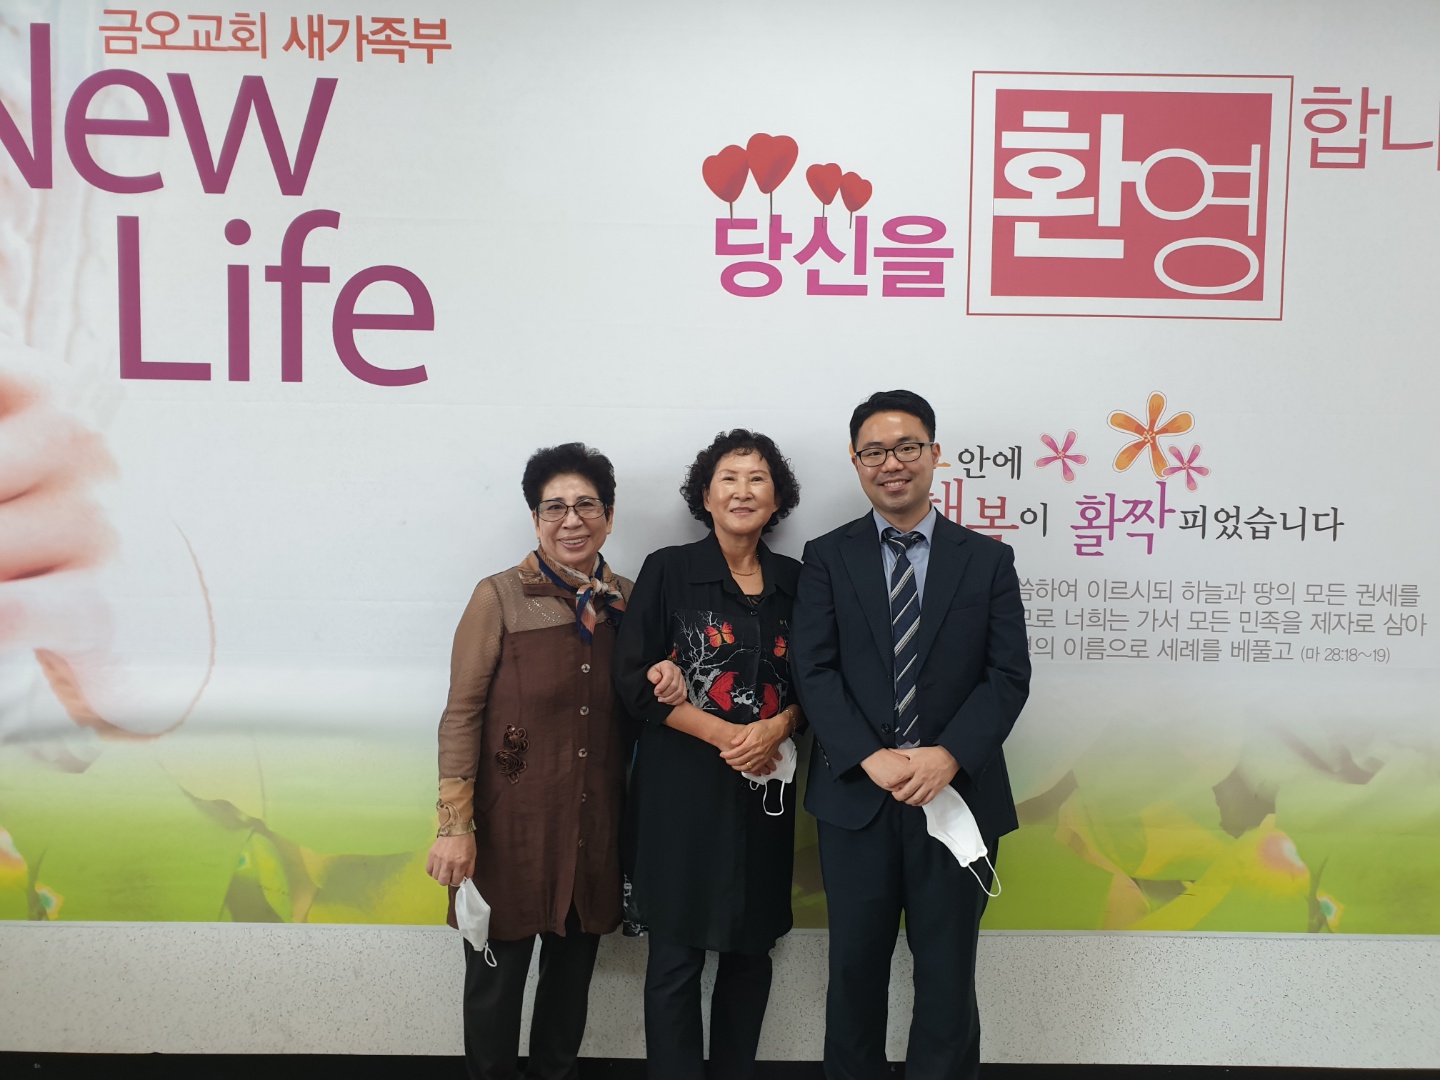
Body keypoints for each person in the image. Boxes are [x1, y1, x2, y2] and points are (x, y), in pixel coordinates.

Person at [791, 390, 1031, 1079]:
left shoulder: (986, 560)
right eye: (874, 451)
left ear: (933, 454)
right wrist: (869, 756)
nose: (891, 463)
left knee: (948, 975)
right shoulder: (826, 557)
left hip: (957, 799)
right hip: (857, 802)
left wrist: (948, 755)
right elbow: (813, 668)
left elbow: (1008, 674)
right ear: (856, 461)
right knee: (853, 971)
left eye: (906, 447)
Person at [426, 442, 673, 1080]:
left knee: (568, 993)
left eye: (586, 505)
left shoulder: (630, 601)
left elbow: (651, 701)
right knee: (495, 988)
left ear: (610, 516)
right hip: (509, 829)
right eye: (554, 507)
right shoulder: (498, 597)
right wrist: (454, 826)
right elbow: (461, 714)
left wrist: (670, 675)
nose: (571, 520)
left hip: (594, 828)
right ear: (535, 519)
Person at [613, 429, 805, 1080]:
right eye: (729, 478)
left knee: (751, 955)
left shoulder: (797, 581)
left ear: (776, 498)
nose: (742, 491)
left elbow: (819, 684)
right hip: (682, 792)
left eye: (757, 478)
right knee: (676, 959)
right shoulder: (669, 569)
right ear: (705, 495)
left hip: (765, 792)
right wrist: (729, 735)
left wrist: (778, 726)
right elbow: (634, 682)